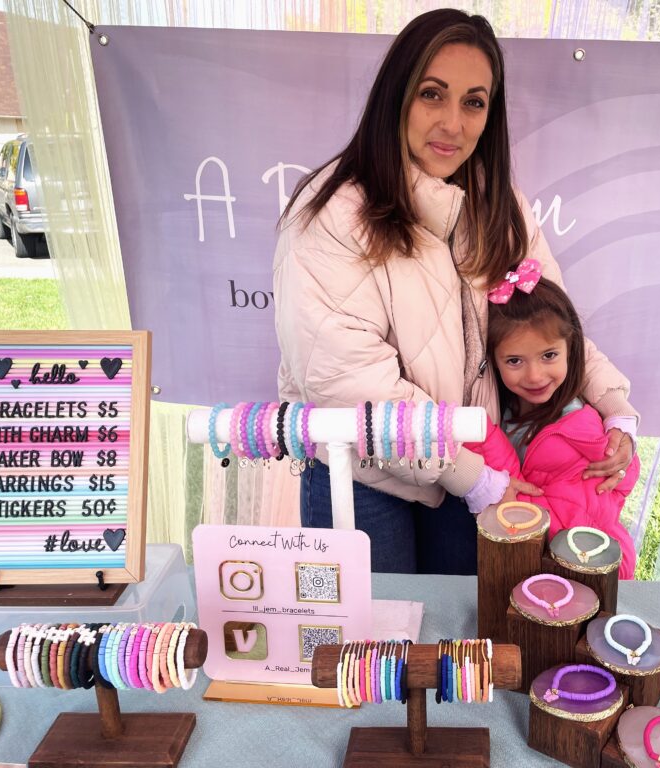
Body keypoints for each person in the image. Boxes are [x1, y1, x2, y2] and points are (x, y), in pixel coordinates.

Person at [273, 8, 639, 574]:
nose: (453, 122)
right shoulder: (331, 212)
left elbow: (556, 324)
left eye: (474, 101)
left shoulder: (501, 207)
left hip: (477, 471)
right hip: (367, 478)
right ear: (396, 96)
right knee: (376, 649)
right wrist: (475, 477)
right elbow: (347, 381)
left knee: (465, 642)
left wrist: (618, 413)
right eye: (432, 94)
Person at [465, 266, 641, 577]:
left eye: (549, 356)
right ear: (492, 360)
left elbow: (609, 485)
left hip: (580, 561)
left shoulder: (579, 422)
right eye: (515, 361)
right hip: (522, 558)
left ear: (571, 350)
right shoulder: (499, 411)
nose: (534, 376)